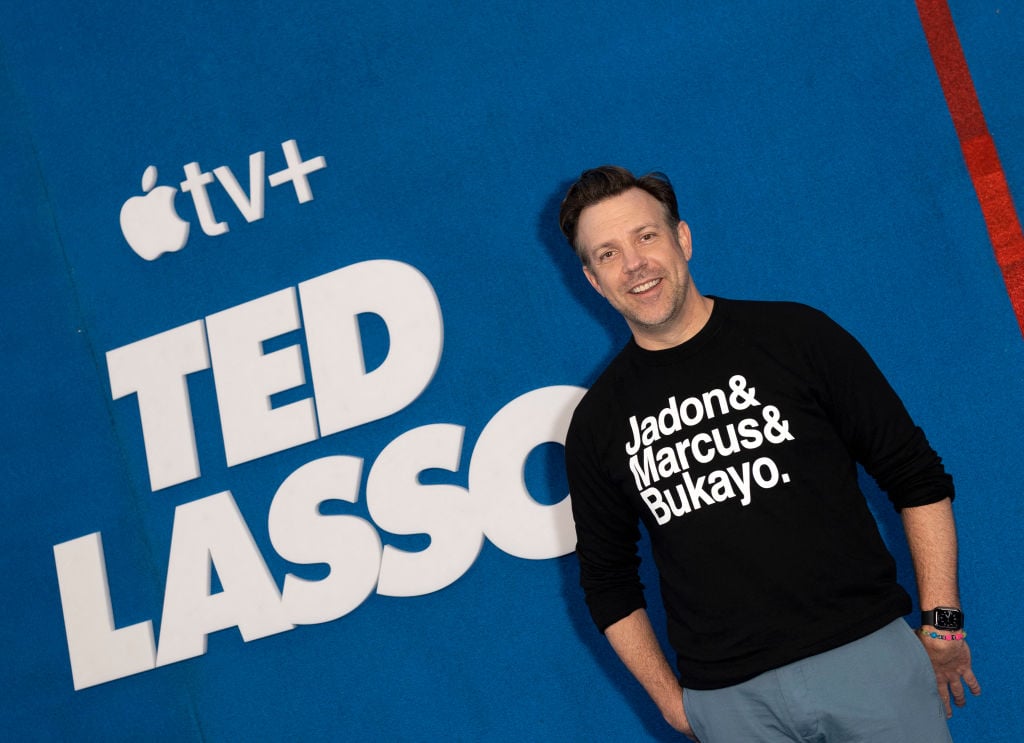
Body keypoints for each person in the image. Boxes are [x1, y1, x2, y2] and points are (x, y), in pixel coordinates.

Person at [558, 165, 980, 741]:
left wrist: (945, 625)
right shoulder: (597, 423)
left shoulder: (796, 337)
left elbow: (916, 476)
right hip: (729, 703)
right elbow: (607, 581)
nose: (634, 264)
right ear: (591, 279)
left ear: (683, 238)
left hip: (866, 661)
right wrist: (672, 703)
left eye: (645, 236)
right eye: (607, 254)